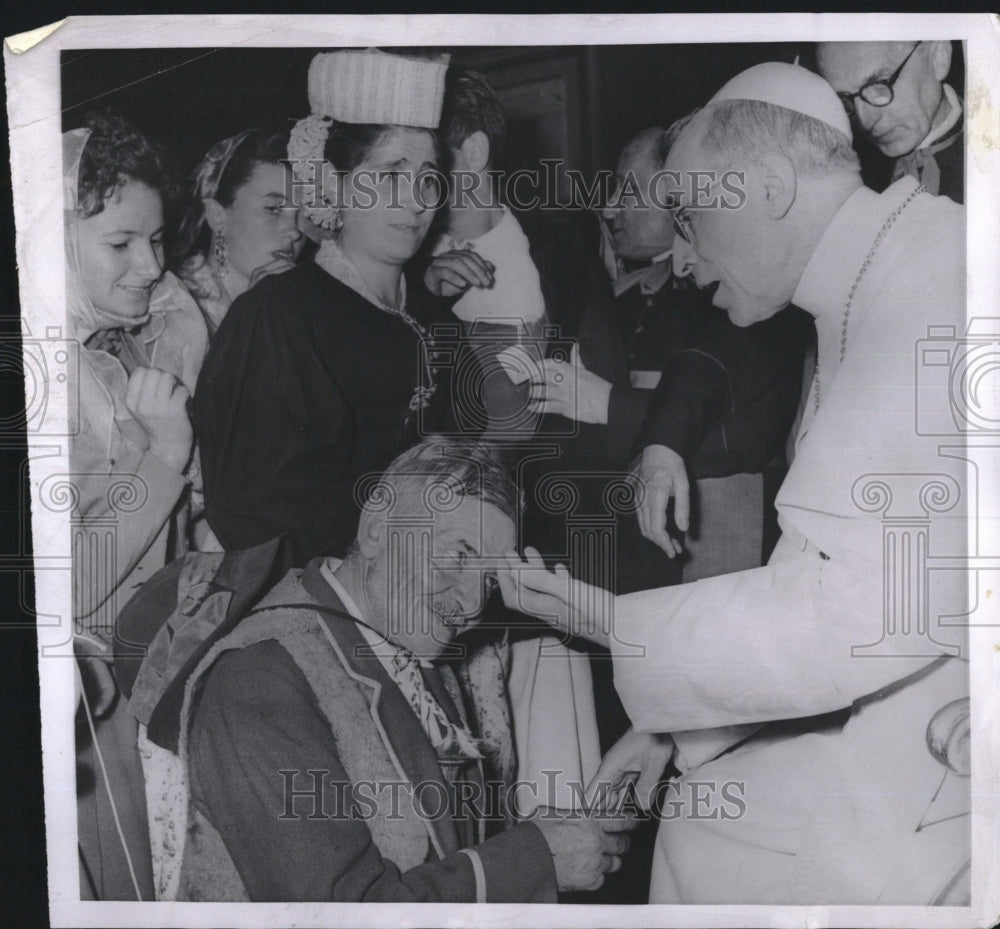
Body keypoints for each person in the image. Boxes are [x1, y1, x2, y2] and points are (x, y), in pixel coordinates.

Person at [501, 63, 970, 905]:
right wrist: (673, 732)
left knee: (723, 843)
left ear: (767, 186)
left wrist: (613, 625)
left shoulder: (931, 289)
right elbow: (824, 575)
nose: (679, 257)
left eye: (689, 216)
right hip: (914, 681)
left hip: (954, 718)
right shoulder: (873, 278)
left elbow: (875, 610)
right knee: (701, 820)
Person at [127, 438, 635, 901]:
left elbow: (443, 852)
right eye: (459, 557)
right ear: (375, 530)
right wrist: (534, 858)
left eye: (492, 579)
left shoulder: (402, 647)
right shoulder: (260, 678)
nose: (472, 601)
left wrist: (538, 840)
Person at [196, 50, 451, 565]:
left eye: (428, 177)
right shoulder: (277, 317)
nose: (416, 200)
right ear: (333, 183)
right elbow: (253, 518)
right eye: (389, 175)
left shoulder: (437, 320)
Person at [535, 124, 808, 589]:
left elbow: (744, 433)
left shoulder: (750, 289)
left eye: (631, 190)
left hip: (723, 549)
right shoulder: (615, 295)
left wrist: (612, 406)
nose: (609, 206)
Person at [66, 111, 209, 900]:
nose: (151, 265)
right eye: (120, 243)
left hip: (145, 673)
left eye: (156, 241)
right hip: (85, 708)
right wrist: (166, 456)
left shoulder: (124, 344)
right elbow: (65, 586)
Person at [173, 129, 305, 336]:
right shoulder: (174, 311)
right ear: (217, 216)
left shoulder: (299, 306)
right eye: (273, 209)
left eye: (301, 215)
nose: (295, 231)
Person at [816, 41, 963, 202]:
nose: (865, 122)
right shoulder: (845, 175)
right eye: (845, 99)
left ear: (938, 57)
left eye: (880, 84)